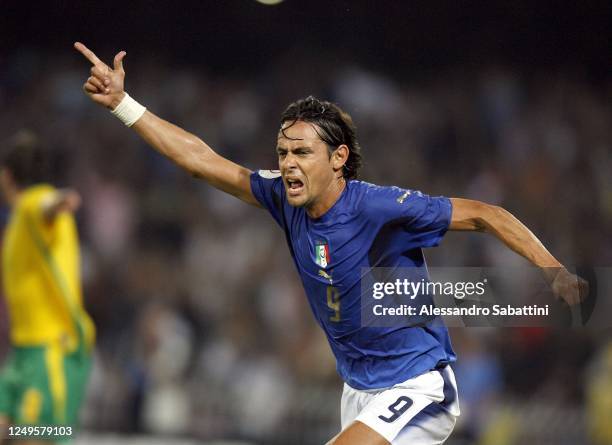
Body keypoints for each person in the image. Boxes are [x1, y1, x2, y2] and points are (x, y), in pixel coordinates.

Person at [73, 42, 587, 445]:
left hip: (417, 384)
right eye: (282, 152)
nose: (288, 163)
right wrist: (123, 104)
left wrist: (553, 269)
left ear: (338, 158)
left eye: (301, 152)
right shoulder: (282, 199)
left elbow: (485, 214)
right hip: (358, 391)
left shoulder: (378, 207)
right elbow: (200, 161)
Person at [0, 131, 95, 445]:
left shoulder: (31, 203)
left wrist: (58, 201)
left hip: (51, 349)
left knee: (37, 436)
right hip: (23, 352)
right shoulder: (17, 222)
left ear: (7, 175)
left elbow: (45, 204)